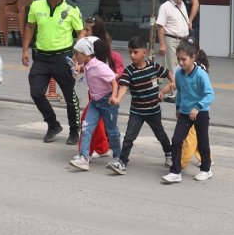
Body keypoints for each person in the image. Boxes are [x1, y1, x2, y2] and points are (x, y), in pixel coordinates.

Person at [22, 0, 84, 145]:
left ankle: (74, 131)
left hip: (63, 57)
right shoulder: (36, 4)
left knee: (69, 96)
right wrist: (25, 50)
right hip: (41, 57)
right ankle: (53, 124)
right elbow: (29, 26)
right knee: (36, 92)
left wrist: (79, 57)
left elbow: (81, 33)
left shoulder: (72, 8)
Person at [107, 36, 174, 175]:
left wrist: (172, 82)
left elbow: (168, 73)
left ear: (144, 52)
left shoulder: (153, 66)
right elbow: (123, 87)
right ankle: (122, 162)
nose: (132, 55)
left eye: (135, 52)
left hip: (153, 110)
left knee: (160, 134)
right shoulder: (129, 71)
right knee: (129, 137)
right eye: (130, 52)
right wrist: (117, 99)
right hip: (136, 111)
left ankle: (169, 154)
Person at [161, 40, 215, 183]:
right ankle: (175, 171)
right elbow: (180, 91)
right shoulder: (179, 72)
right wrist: (178, 107)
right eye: (178, 59)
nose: (180, 63)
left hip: (201, 112)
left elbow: (210, 94)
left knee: (203, 142)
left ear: (193, 58)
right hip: (185, 112)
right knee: (176, 140)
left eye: (184, 59)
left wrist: (197, 108)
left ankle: (206, 169)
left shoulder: (201, 74)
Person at [69, 37, 120, 171]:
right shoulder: (86, 65)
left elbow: (114, 82)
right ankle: (84, 157)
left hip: (107, 101)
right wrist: (76, 69)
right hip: (95, 101)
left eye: (77, 54)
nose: (75, 56)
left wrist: (114, 97)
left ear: (85, 54)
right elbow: (82, 69)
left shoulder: (100, 66)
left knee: (112, 131)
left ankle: (118, 158)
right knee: (86, 126)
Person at [79, 17, 124, 159]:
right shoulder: (87, 50)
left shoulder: (102, 54)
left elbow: (115, 73)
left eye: (87, 29)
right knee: (88, 125)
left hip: (106, 96)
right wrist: (79, 68)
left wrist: (114, 94)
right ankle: (86, 154)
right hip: (94, 94)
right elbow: (85, 67)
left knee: (109, 129)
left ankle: (116, 156)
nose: (84, 32)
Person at [157, 0, 190, 102]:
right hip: (171, 40)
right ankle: (172, 93)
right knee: (171, 67)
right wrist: (162, 44)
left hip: (183, 41)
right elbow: (160, 26)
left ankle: (179, 91)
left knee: (182, 66)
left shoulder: (183, 5)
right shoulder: (165, 6)